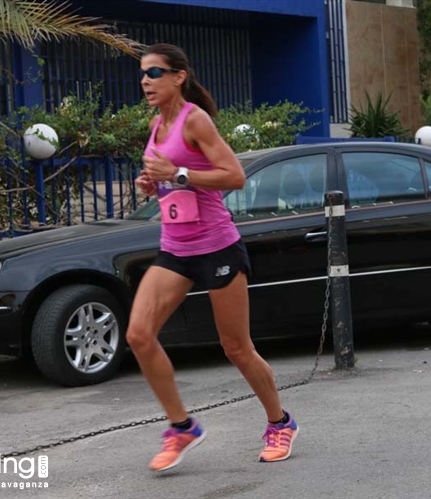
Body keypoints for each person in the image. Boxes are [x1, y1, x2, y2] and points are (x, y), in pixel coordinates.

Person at [127, 43, 298, 472]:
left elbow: (234, 176)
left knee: (236, 347)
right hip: (176, 248)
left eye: (154, 73)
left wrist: (178, 174)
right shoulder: (156, 124)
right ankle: (181, 427)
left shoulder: (195, 120)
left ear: (178, 76)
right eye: (143, 73)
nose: (145, 81)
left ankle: (280, 422)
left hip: (217, 246)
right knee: (138, 335)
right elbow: (171, 181)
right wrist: (155, 184)